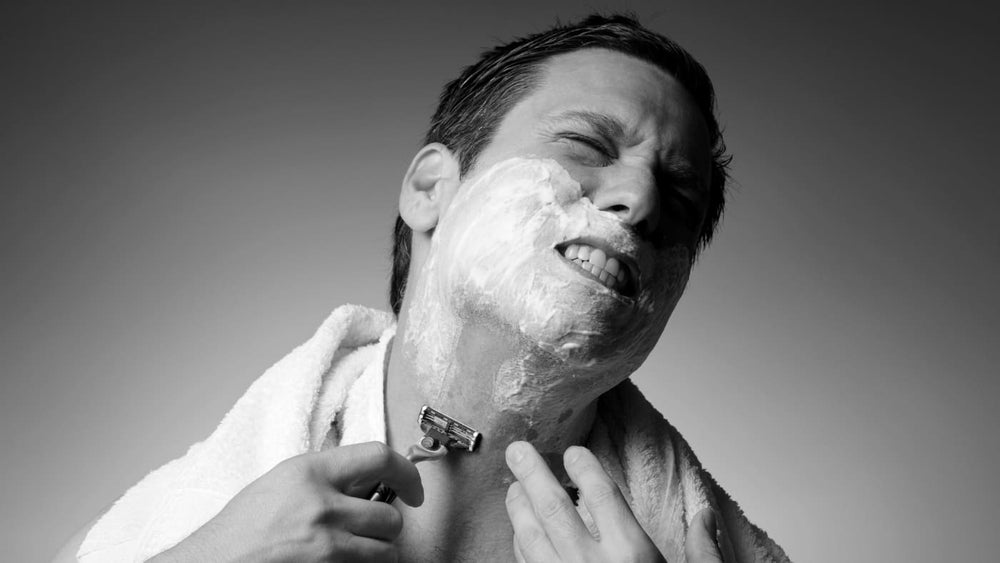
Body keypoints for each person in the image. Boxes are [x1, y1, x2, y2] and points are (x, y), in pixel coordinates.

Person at [56, 14, 788, 563]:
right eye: (589, 145)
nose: (643, 200)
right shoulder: (184, 524)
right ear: (432, 188)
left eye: (681, 201)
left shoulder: (707, 544)